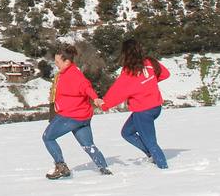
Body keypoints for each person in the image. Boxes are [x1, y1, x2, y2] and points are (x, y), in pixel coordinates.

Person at [41, 44, 111, 179]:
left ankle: (61, 166)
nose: (56, 65)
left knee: (47, 137)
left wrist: (96, 98)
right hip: (82, 117)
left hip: (70, 116)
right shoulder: (66, 73)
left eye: (58, 62)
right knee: (88, 145)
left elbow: (86, 87)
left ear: (67, 61)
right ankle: (104, 169)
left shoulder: (73, 75)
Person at [100, 39, 171, 169]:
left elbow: (118, 92)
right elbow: (165, 74)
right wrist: (149, 84)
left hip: (143, 111)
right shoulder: (150, 63)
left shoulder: (129, 72)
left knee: (151, 142)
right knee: (127, 132)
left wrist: (105, 105)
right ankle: (152, 155)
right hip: (156, 107)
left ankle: (163, 167)